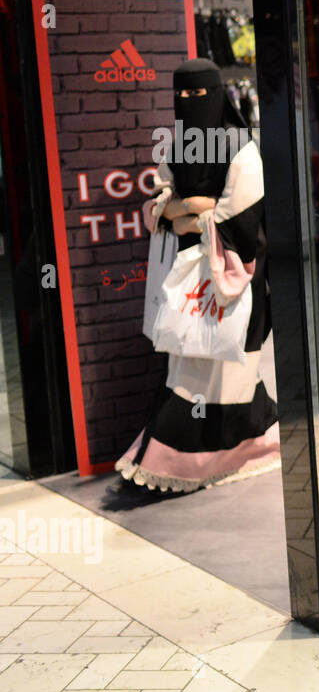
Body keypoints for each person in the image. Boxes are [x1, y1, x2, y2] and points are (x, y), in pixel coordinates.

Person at [116, 58, 280, 493]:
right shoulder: (178, 147)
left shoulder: (242, 148)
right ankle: (190, 460)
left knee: (231, 368)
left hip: (233, 277)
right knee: (188, 363)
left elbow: (241, 219)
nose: (190, 104)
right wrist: (195, 207)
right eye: (182, 96)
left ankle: (238, 452)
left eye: (198, 95)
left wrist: (183, 211)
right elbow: (157, 207)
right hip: (191, 280)